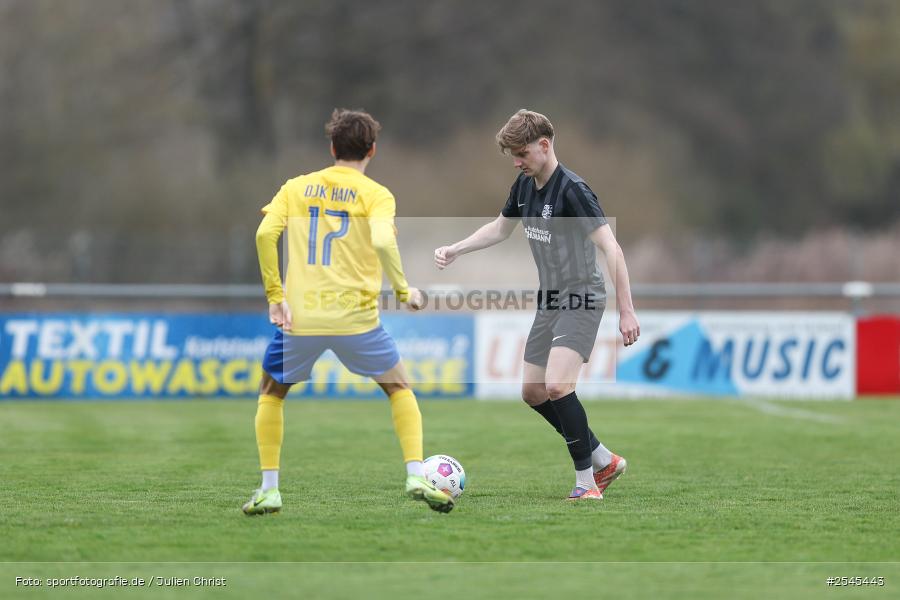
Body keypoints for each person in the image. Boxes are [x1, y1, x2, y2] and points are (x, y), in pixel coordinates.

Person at [244, 109, 454, 515]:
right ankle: (414, 473)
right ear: (372, 149)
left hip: (302, 317)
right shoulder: (376, 194)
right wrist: (403, 290)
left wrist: (275, 294)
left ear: (332, 148)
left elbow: (265, 234)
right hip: (357, 319)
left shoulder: (296, 187)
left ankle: (270, 488)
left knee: (271, 393)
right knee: (399, 388)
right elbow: (381, 241)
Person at [434, 109, 640, 501]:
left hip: (582, 296)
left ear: (544, 146)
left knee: (559, 386)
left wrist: (626, 309)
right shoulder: (524, 185)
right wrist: (457, 249)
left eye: (521, 153)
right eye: (512, 154)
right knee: (533, 392)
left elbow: (612, 248)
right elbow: (499, 228)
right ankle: (602, 459)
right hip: (551, 299)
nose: (516, 161)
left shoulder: (573, 191)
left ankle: (586, 485)